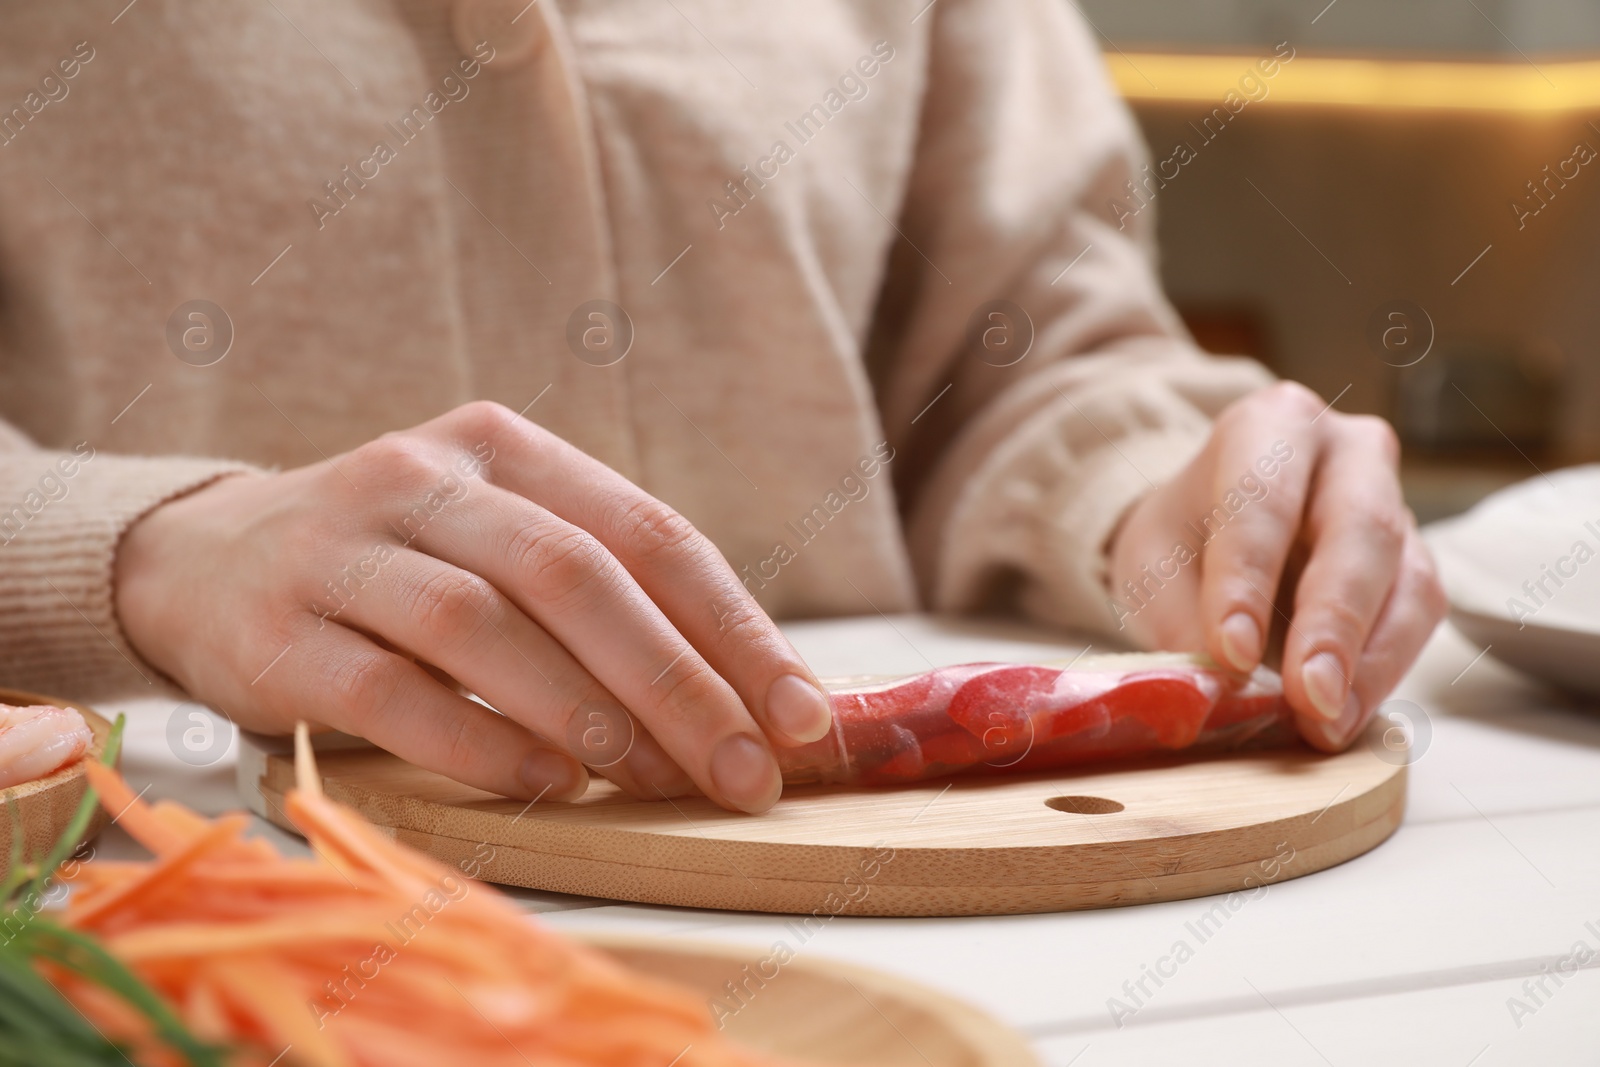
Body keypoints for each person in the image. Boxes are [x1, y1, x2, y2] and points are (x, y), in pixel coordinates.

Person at [0, 0, 1444, 813]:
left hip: (921, 906)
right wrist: (148, 550)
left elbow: (1027, 352)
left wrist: (1159, 490)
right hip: (185, 903)